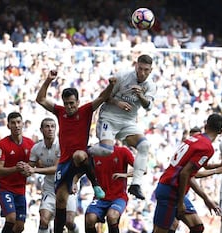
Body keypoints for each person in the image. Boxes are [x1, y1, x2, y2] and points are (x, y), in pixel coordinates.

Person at [36, 70, 116, 233]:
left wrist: (111, 85)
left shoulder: (85, 110)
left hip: (81, 159)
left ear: (78, 102)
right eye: (67, 103)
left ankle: (95, 185)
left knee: (79, 154)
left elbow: (101, 98)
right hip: (65, 163)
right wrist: (48, 80)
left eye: (72, 103)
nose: (69, 107)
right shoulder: (60, 112)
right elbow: (41, 99)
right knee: (60, 201)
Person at [88, 54, 157, 200]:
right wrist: (117, 103)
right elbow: (104, 97)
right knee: (106, 151)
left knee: (144, 145)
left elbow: (148, 106)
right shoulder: (123, 76)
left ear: (151, 70)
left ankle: (136, 185)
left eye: (146, 70)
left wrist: (141, 96)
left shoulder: (150, 85)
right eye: (140, 68)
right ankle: (87, 151)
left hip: (128, 122)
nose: (142, 73)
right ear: (136, 66)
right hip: (109, 117)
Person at [152, 114, 222, 233]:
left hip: (170, 187)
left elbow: (199, 168)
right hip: (171, 191)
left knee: (197, 227)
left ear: (205, 126)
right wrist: (180, 203)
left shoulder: (194, 138)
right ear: (220, 131)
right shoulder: (207, 147)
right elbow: (185, 174)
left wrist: (220, 165)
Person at [25, 118, 79, 233]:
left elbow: (56, 169)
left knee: (69, 222)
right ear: (41, 129)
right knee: (43, 220)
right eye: (47, 126)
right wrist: (24, 168)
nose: (50, 129)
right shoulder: (36, 148)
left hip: (66, 187)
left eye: (52, 126)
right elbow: (30, 166)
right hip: (50, 189)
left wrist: (34, 170)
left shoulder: (62, 145)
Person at [0, 112, 35, 233]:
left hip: (20, 189)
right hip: (4, 187)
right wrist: (16, 168)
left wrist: (30, 170)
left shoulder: (30, 144)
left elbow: (34, 165)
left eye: (18, 122)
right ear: (8, 126)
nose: (16, 125)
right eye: (13, 123)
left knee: (19, 227)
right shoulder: (2, 144)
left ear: (23, 124)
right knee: (11, 218)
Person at [85, 144, 135, 233]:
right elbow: (83, 169)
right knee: (89, 218)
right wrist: (74, 182)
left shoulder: (123, 151)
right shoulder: (93, 152)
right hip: (100, 197)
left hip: (119, 197)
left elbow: (143, 169)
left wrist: (124, 175)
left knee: (112, 216)